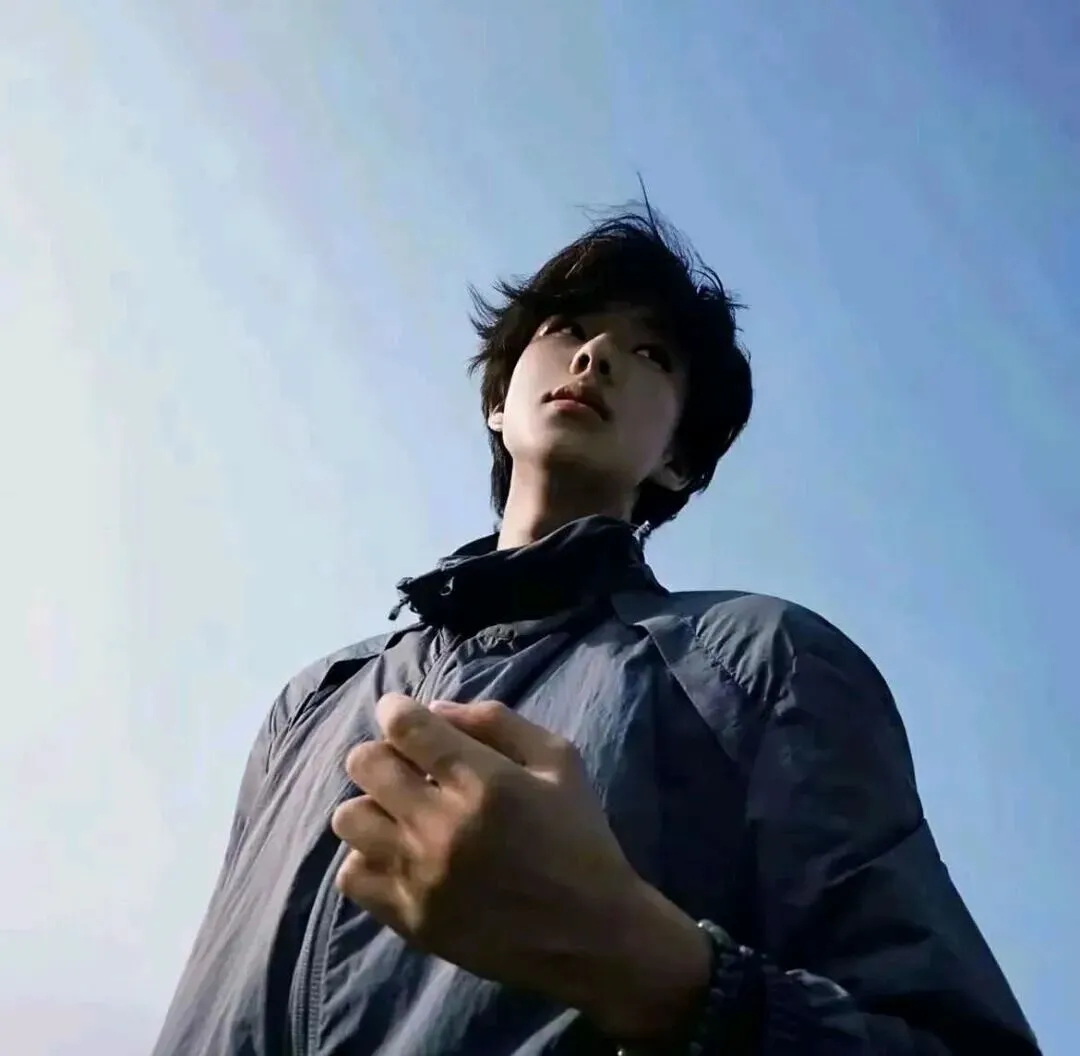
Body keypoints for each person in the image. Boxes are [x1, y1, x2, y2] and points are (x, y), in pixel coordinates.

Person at [153, 204, 1039, 1055]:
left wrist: (653, 971)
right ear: (498, 402)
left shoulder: (762, 664)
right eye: (567, 327)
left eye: (650, 353)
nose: (598, 354)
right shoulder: (315, 700)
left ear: (678, 459)